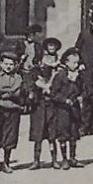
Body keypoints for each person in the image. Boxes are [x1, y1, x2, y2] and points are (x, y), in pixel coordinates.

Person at [0, 48, 25, 173]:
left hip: (13, 110)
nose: (8, 67)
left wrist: (5, 93)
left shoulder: (18, 77)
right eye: (6, 64)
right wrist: (8, 92)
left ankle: (6, 163)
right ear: (1, 64)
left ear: (15, 65)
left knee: (10, 136)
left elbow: (17, 92)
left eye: (11, 64)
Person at [24, 36, 61, 169]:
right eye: (42, 59)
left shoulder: (58, 69)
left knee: (52, 133)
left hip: (52, 103)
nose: (45, 62)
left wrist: (51, 85)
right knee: (38, 134)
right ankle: (36, 160)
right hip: (38, 105)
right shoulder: (35, 70)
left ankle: (54, 159)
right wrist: (43, 86)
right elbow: (31, 82)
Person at [48, 47, 85, 169]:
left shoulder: (79, 76)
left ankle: (72, 157)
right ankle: (64, 159)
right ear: (66, 62)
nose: (76, 65)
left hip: (74, 108)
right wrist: (64, 100)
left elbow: (82, 89)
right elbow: (53, 94)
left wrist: (80, 96)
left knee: (74, 133)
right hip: (62, 109)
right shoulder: (60, 76)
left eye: (78, 62)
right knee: (63, 133)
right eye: (74, 62)